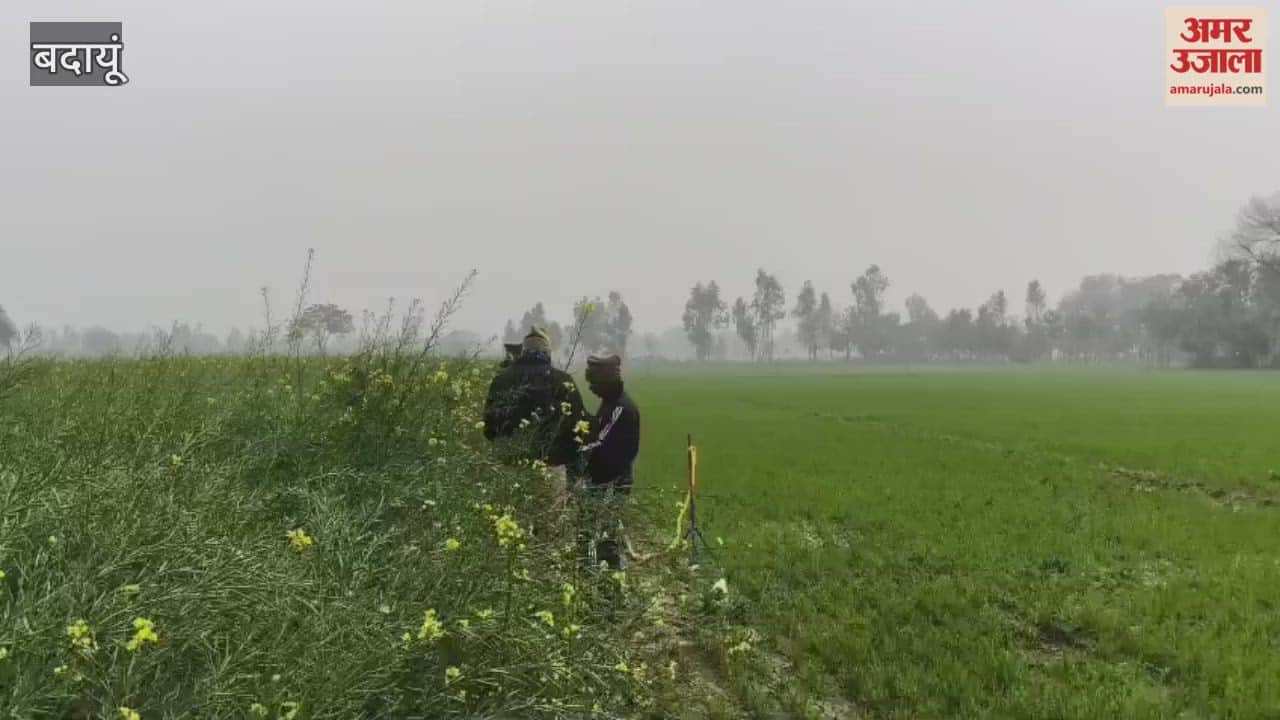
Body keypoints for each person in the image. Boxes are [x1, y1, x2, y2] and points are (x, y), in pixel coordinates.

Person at [483, 327, 586, 496]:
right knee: (547, 519)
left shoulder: (502, 379)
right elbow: (577, 428)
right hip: (549, 469)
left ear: (523, 351)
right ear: (547, 352)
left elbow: (488, 426)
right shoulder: (563, 380)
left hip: (508, 467)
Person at [576, 353, 641, 571]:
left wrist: (575, 452)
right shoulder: (609, 404)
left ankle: (610, 588)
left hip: (612, 483)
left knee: (606, 536)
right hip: (602, 480)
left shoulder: (620, 408)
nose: (591, 387)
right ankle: (592, 577)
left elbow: (600, 443)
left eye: (594, 381)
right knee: (592, 531)